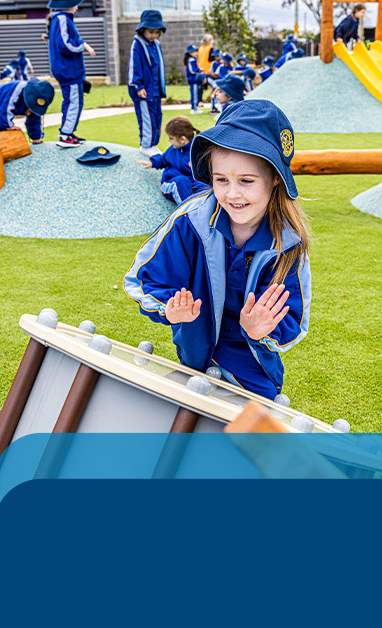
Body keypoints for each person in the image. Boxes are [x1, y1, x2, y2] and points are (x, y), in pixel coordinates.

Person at [124, 99, 311, 401]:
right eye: (221, 180)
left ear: (275, 178)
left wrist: (260, 330)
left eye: (246, 181)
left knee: (252, 440)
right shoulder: (190, 221)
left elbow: (292, 319)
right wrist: (169, 309)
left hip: (252, 368)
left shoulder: (288, 243)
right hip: (195, 360)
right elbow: (143, 279)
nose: (232, 193)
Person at [44, 0, 96, 148]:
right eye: (74, 3)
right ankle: (65, 135)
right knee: (73, 102)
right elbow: (66, 45)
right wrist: (83, 45)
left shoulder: (60, 19)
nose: (77, 7)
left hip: (68, 70)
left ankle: (68, 133)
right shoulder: (62, 19)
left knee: (74, 101)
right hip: (68, 70)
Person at [137, 116, 208, 204]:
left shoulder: (198, 151)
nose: (169, 140)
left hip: (191, 183)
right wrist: (152, 162)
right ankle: (187, 211)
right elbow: (163, 159)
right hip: (171, 182)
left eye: (171, 138)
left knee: (207, 187)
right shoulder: (173, 149)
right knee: (181, 181)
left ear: (182, 139)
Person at [127, 9, 167, 155]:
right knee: (147, 118)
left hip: (155, 89)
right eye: (151, 32)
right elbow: (134, 65)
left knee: (157, 116)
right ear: (142, 29)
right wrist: (137, 86)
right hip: (144, 89)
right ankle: (146, 145)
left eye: (157, 32)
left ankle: (153, 144)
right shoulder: (137, 44)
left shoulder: (156, 45)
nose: (154, 35)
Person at [0, 78, 55, 144]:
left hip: (3, 107)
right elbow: (7, 107)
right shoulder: (18, 88)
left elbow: (34, 118)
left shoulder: (35, 102)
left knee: (34, 115)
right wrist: (8, 125)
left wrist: (36, 137)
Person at [185, 44, 205, 115]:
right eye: (194, 51)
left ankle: (195, 108)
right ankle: (193, 108)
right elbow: (192, 70)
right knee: (194, 94)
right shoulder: (191, 60)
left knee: (196, 93)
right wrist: (199, 70)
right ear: (190, 53)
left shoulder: (193, 59)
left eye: (196, 51)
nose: (196, 53)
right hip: (193, 80)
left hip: (195, 80)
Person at [207, 48, 222, 112]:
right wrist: (213, 74)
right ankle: (213, 108)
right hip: (213, 80)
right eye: (215, 56)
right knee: (213, 93)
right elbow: (211, 72)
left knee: (217, 94)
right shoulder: (214, 63)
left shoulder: (222, 64)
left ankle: (217, 107)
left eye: (217, 56)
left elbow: (219, 74)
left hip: (219, 81)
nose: (216, 58)